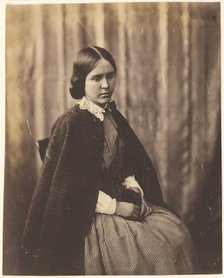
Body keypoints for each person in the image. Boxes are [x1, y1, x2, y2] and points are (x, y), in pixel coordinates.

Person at [20, 46, 198, 275]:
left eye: (110, 76)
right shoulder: (70, 123)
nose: (106, 85)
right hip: (90, 217)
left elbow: (125, 163)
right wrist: (116, 207)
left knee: (177, 236)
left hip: (120, 200)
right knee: (156, 252)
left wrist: (134, 190)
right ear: (81, 81)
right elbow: (70, 191)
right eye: (97, 78)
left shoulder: (111, 116)